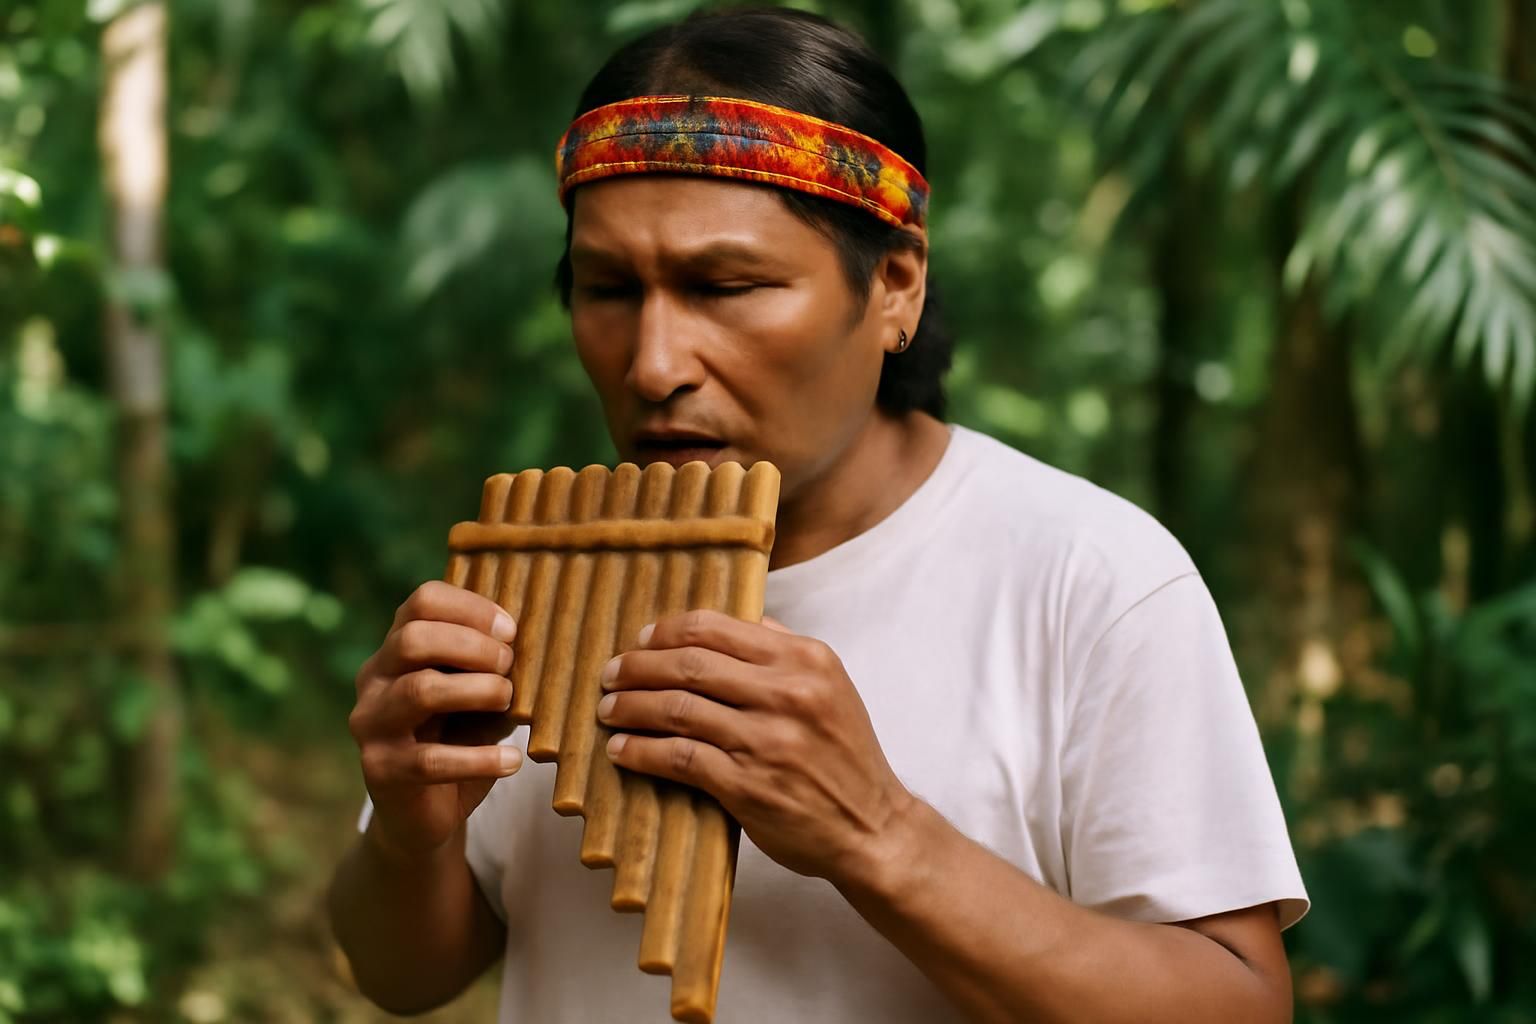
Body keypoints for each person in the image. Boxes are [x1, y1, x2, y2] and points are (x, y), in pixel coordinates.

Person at [327, 8, 1309, 1022]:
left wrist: (881, 833)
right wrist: (409, 833)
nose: (654, 363)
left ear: (895, 286)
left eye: (727, 284)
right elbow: (399, 973)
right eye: (608, 288)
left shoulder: (1093, 579)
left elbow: (1239, 1004)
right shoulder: (536, 586)